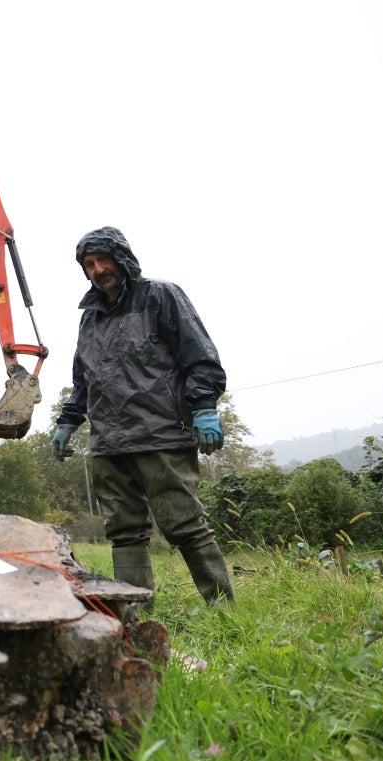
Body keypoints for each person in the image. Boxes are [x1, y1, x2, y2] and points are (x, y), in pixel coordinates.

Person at [51, 227, 234, 607]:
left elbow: (199, 355)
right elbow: (83, 377)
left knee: (185, 524)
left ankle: (224, 611)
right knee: (124, 532)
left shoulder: (160, 296)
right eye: (89, 264)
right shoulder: (90, 319)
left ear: (122, 258)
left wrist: (204, 408)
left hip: (161, 433)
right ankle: (135, 615)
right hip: (109, 442)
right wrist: (68, 421)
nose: (98, 269)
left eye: (103, 260)